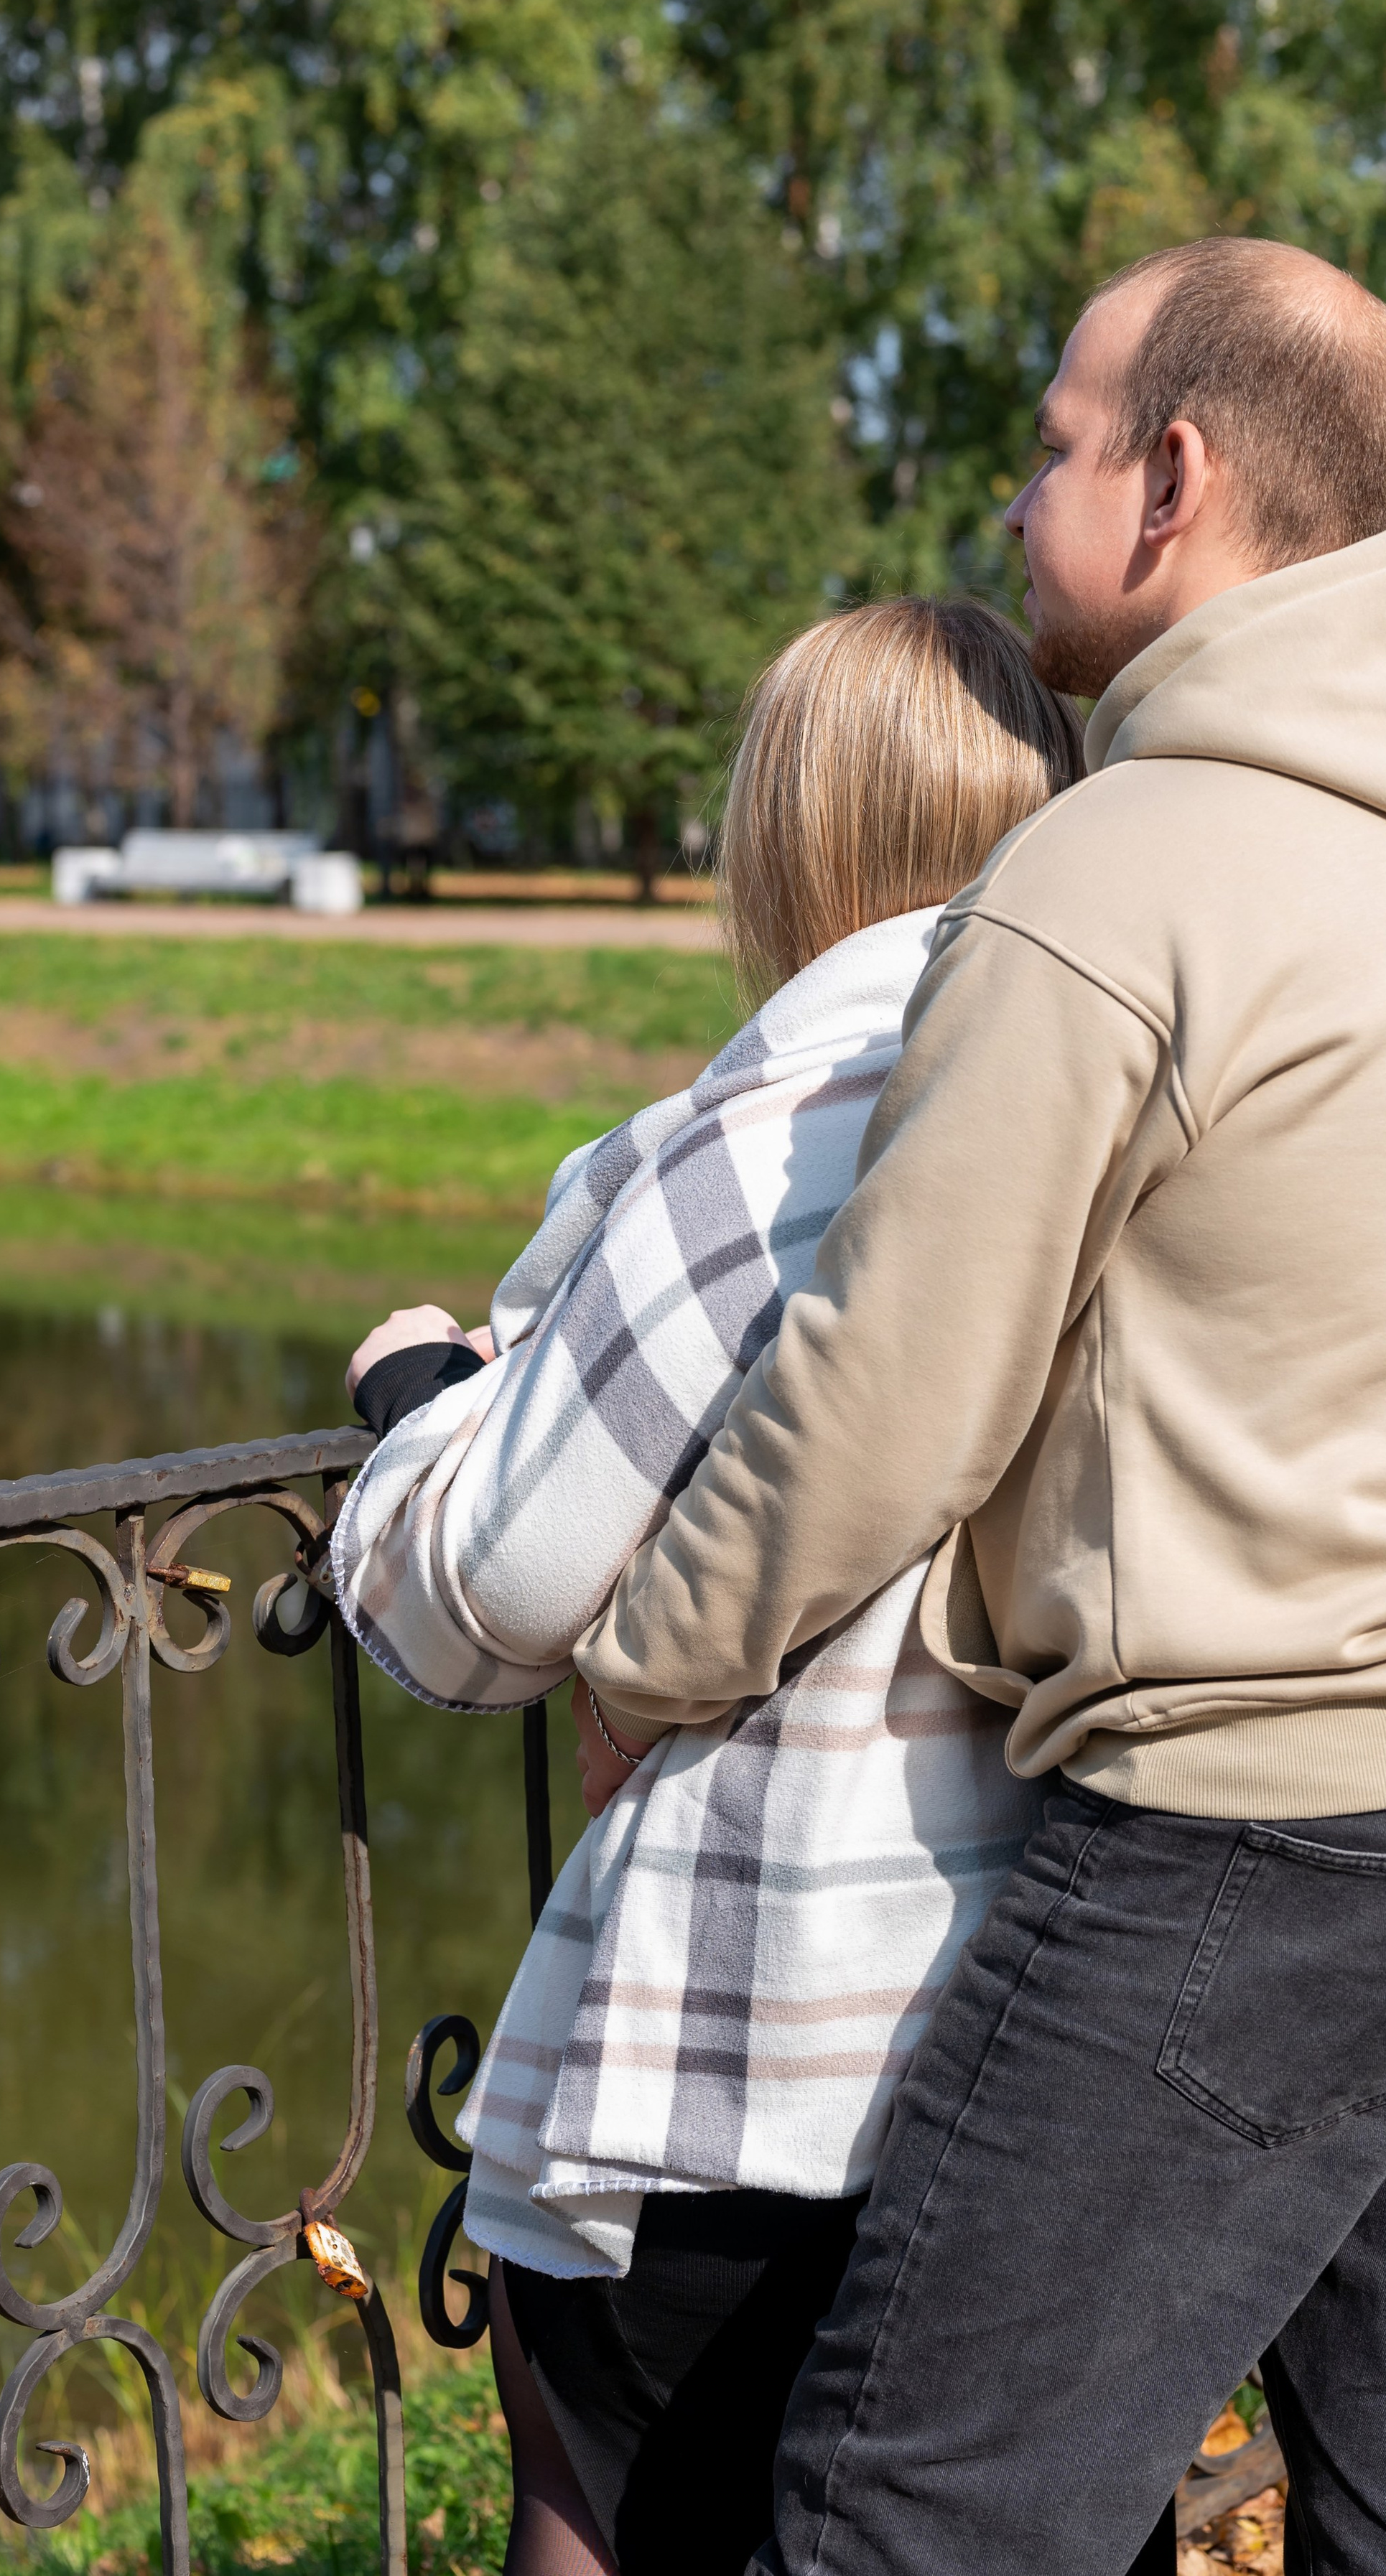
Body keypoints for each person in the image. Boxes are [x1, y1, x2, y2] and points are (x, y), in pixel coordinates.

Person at [565, 237, 1386, 2576]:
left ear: (1174, 478)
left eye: (1055, 447)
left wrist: (637, 1658)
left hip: (1276, 1840)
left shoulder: (1116, 876)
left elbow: (886, 1399)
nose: (1016, 498)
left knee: (913, 2520)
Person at [331, 599, 1086, 2576]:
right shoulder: (1121, 1075)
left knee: (603, 2502)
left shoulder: (793, 1118)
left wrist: (417, 1399)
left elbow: (467, 1597)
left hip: (765, 2066)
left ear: (786, 834)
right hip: (1068, 2025)